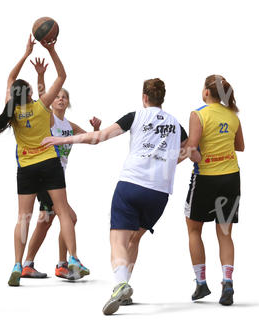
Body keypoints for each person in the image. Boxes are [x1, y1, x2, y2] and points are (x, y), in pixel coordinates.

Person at [42, 78, 188, 315]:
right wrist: (169, 163)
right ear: (162, 99)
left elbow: (98, 137)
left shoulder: (136, 116)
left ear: (144, 98)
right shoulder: (176, 124)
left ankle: (120, 283)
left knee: (118, 240)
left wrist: (63, 139)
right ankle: (125, 288)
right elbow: (192, 151)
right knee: (135, 239)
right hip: (159, 193)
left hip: (131, 185)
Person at [0, 36, 86, 286]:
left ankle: (18, 264)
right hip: (49, 163)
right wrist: (51, 50)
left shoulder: (12, 112)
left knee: (23, 218)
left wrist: (24, 54)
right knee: (62, 211)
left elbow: (10, 79)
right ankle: (72, 258)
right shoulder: (42, 107)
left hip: (26, 167)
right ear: (30, 93)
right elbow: (62, 76)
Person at [21, 57, 101, 280]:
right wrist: (40, 76)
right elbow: (41, 95)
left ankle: (29, 264)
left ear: (68, 102)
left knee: (45, 222)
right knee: (68, 218)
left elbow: (92, 140)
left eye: (64, 97)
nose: (60, 99)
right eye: (57, 96)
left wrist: (96, 129)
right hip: (46, 176)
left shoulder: (69, 125)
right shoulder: (48, 119)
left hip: (56, 179)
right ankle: (62, 264)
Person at [183, 75, 244, 306]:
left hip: (206, 178)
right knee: (225, 233)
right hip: (231, 178)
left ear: (206, 92)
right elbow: (240, 146)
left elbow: (191, 148)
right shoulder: (232, 115)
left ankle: (201, 284)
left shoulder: (198, 114)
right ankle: (227, 282)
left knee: (193, 230)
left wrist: (192, 152)